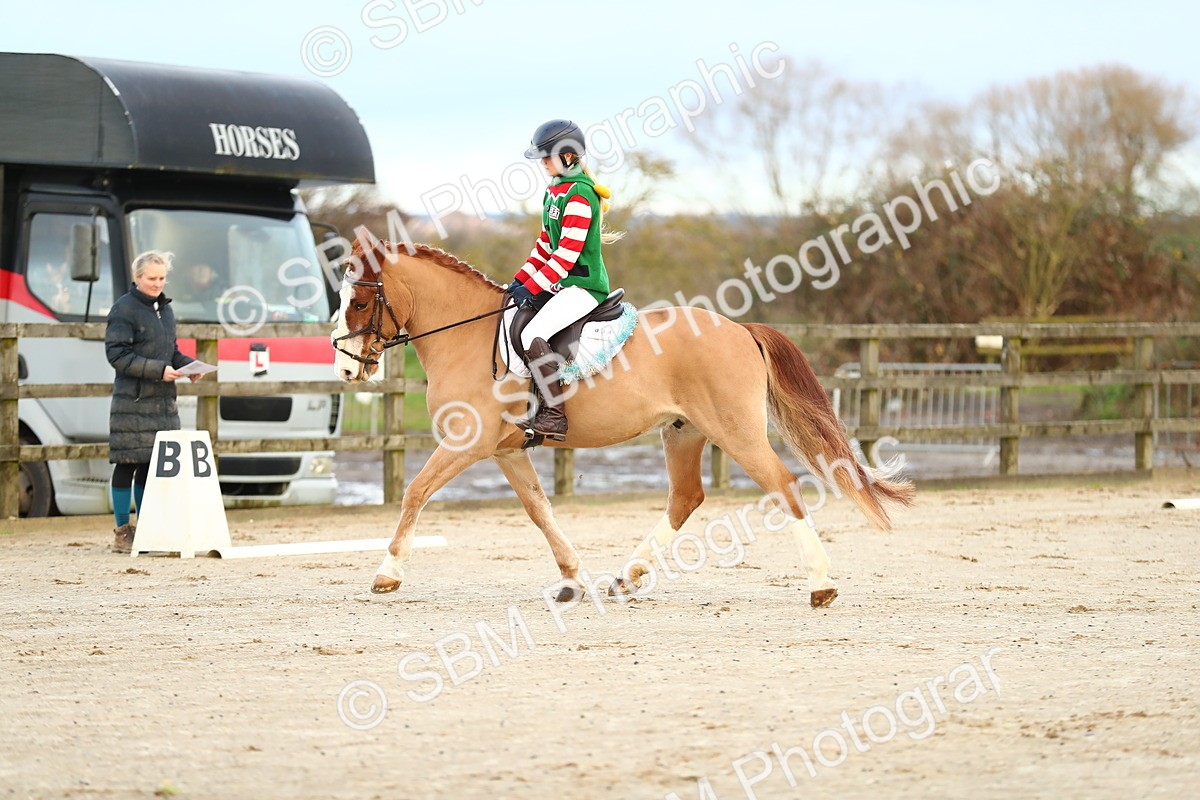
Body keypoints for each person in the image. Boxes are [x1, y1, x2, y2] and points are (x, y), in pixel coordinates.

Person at [508, 119, 621, 439]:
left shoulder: (580, 195)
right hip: (562, 283)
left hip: (585, 286)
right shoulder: (554, 192)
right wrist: (519, 281)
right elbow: (545, 246)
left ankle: (555, 414)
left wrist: (534, 287)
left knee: (534, 333)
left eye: (547, 156)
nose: (542, 162)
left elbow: (566, 256)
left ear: (568, 156)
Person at [104, 250, 203, 553]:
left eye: (161, 278)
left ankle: (144, 527)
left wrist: (188, 366)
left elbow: (169, 350)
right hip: (132, 401)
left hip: (162, 402)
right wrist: (159, 370)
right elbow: (117, 355)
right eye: (152, 278)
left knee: (149, 466)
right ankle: (123, 530)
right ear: (138, 277)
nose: (158, 283)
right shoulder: (123, 309)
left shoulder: (165, 309)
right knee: (126, 464)